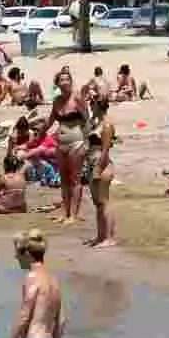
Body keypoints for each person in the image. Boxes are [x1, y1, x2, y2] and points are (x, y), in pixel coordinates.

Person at [42, 68, 88, 226]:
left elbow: (86, 119)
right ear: (57, 84)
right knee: (64, 179)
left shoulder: (77, 98)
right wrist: (39, 135)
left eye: (67, 79)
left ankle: (74, 214)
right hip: (60, 143)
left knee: (75, 179)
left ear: (71, 81)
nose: (65, 82)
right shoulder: (57, 101)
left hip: (76, 141)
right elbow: (50, 121)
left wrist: (87, 142)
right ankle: (65, 212)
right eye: (61, 80)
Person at [85, 95, 118, 247]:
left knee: (104, 201)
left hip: (102, 165)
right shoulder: (94, 123)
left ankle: (110, 238)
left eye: (92, 104)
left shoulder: (106, 125)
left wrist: (97, 169)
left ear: (98, 106)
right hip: (93, 163)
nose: (90, 106)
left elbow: (105, 150)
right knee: (98, 203)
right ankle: (100, 236)